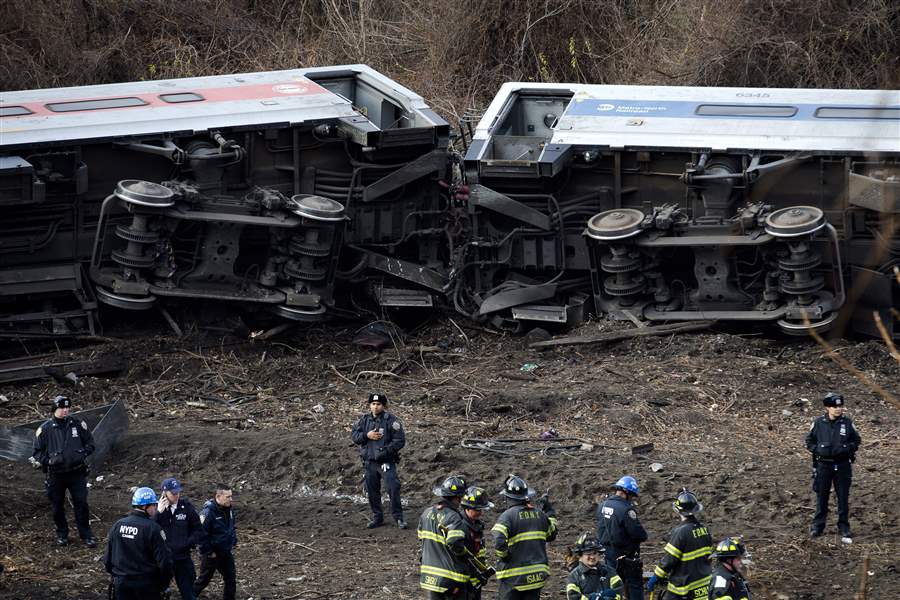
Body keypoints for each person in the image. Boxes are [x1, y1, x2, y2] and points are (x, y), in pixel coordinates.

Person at [30, 395, 98, 547]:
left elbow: (90, 443)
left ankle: (86, 535)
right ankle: (62, 534)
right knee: (57, 505)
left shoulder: (77, 424)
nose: (66, 410)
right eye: (62, 408)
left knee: (81, 503)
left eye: (67, 407)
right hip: (56, 474)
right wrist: (48, 461)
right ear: (55, 409)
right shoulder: (45, 429)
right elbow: (36, 452)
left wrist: (81, 454)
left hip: (77, 472)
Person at [805, 391, 861, 543]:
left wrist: (846, 448)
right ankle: (818, 526)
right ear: (827, 408)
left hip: (842, 465)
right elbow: (809, 441)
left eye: (840, 406)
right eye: (834, 406)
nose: (838, 409)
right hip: (823, 465)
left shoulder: (847, 423)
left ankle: (844, 527)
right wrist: (818, 450)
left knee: (843, 497)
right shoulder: (818, 423)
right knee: (821, 496)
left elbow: (856, 441)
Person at [491, 475, 558, 599]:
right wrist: (549, 511)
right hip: (536, 576)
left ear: (508, 498)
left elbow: (498, 539)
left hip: (514, 577)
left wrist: (504, 556)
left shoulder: (507, 516)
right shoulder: (540, 514)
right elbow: (552, 534)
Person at [104, 486, 173, 600]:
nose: (156, 508)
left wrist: (118, 576)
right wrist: (164, 584)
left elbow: (107, 558)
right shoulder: (153, 528)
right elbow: (165, 561)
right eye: (153, 505)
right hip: (147, 586)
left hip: (122, 584)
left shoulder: (118, 525)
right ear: (144, 506)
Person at [350, 392, 407, 529]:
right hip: (369, 462)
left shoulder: (391, 421)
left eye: (378, 404)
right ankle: (377, 518)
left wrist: (385, 451)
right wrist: (367, 435)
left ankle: (398, 518)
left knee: (393, 488)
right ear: (370, 405)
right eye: (373, 404)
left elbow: (400, 441)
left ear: (384, 405)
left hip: (386, 462)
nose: (375, 407)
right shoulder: (364, 420)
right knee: (372, 491)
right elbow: (355, 436)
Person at [646, 488, 712, 600]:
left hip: (683, 588)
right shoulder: (705, 530)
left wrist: (656, 576)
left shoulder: (680, 532)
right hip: (704, 586)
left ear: (678, 510)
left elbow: (669, 560)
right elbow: (708, 557)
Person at [417, 475, 470, 598]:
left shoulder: (426, 513)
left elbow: (421, 538)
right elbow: (454, 543)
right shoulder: (454, 517)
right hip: (450, 578)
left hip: (429, 576)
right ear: (457, 498)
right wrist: (465, 555)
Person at [596, 476, 647, 600]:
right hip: (627, 556)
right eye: (632, 496)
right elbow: (639, 534)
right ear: (626, 493)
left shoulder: (602, 505)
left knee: (613, 584)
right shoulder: (626, 510)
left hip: (609, 554)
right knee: (635, 585)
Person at [154, 478, 202, 600]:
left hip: (182, 557)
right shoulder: (155, 509)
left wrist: (187, 543)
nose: (176, 495)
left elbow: (198, 529)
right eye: (173, 493)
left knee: (189, 592)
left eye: (178, 492)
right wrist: (158, 513)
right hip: (163, 559)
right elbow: (148, 530)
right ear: (165, 493)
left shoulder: (186, 507)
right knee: (158, 591)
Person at [192, 485, 237, 600]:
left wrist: (233, 540)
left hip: (225, 552)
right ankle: (189, 596)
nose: (231, 499)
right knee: (203, 580)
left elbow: (231, 527)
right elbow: (200, 534)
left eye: (231, 496)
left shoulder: (229, 509)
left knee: (230, 578)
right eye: (228, 497)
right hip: (212, 554)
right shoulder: (208, 513)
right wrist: (209, 552)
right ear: (218, 496)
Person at [460, 486, 495, 599]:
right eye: (477, 510)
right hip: (465, 580)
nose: (481, 513)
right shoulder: (460, 526)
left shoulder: (477, 525)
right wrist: (476, 575)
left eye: (481, 510)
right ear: (467, 508)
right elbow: (461, 555)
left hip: (476, 581)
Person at [565, 533, 623, 600]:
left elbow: (619, 591)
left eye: (595, 553)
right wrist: (593, 598)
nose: (592, 557)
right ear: (580, 556)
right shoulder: (574, 576)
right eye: (588, 554)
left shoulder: (609, 572)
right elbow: (573, 597)